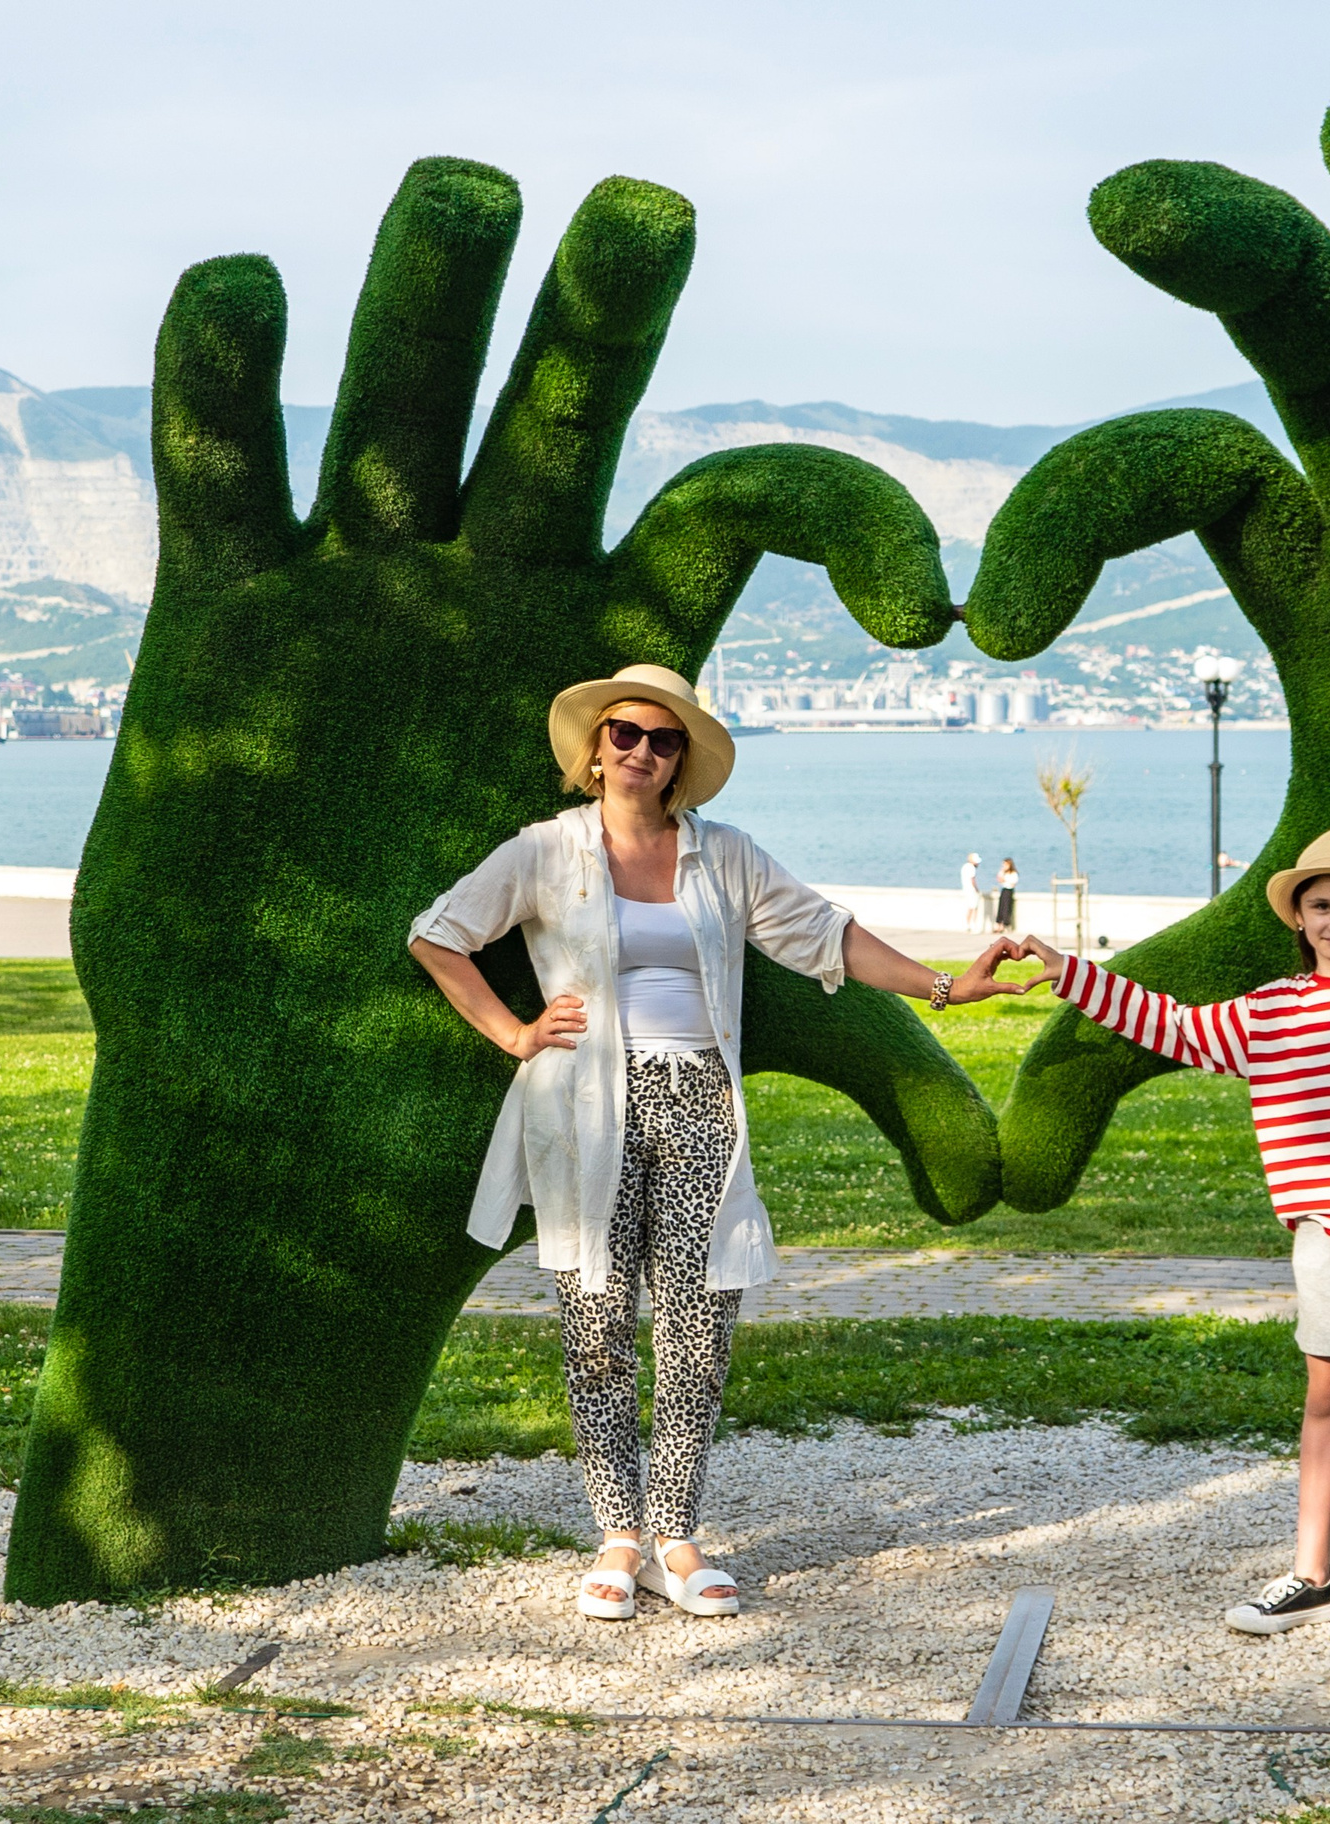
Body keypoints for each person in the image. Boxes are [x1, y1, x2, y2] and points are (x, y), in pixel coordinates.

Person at [410, 664, 1021, 1625]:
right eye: (626, 735)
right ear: (594, 749)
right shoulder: (543, 852)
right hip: (585, 1106)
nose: (643, 753)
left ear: (682, 759)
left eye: (664, 740)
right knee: (597, 1320)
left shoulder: (724, 857)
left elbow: (829, 937)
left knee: (699, 1324)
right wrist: (517, 1034)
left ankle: (678, 1537)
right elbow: (439, 936)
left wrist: (947, 987)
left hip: (698, 1096)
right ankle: (618, 1536)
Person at [1009, 828, 1330, 1653]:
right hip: (1322, 1232)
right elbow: (1171, 1025)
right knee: (1326, 1398)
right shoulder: (1270, 1009)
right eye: (1322, 906)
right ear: (1299, 919)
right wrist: (1067, 972)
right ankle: (1312, 1576)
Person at [960, 851, 983, 933]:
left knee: (970, 907)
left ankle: (967, 925)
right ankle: (973, 925)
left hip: (966, 889)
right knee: (974, 907)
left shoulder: (965, 867)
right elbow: (972, 880)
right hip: (972, 890)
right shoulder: (971, 868)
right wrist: (977, 889)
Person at [994, 858, 1019, 934]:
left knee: (1007, 908)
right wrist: (1002, 871)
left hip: (1009, 890)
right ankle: (999, 924)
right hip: (1004, 889)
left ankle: (1006, 925)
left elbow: (1013, 883)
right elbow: (999, 879)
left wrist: (1005, 880)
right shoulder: (1003, 872)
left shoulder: (1013, 873)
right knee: (1001, 908)